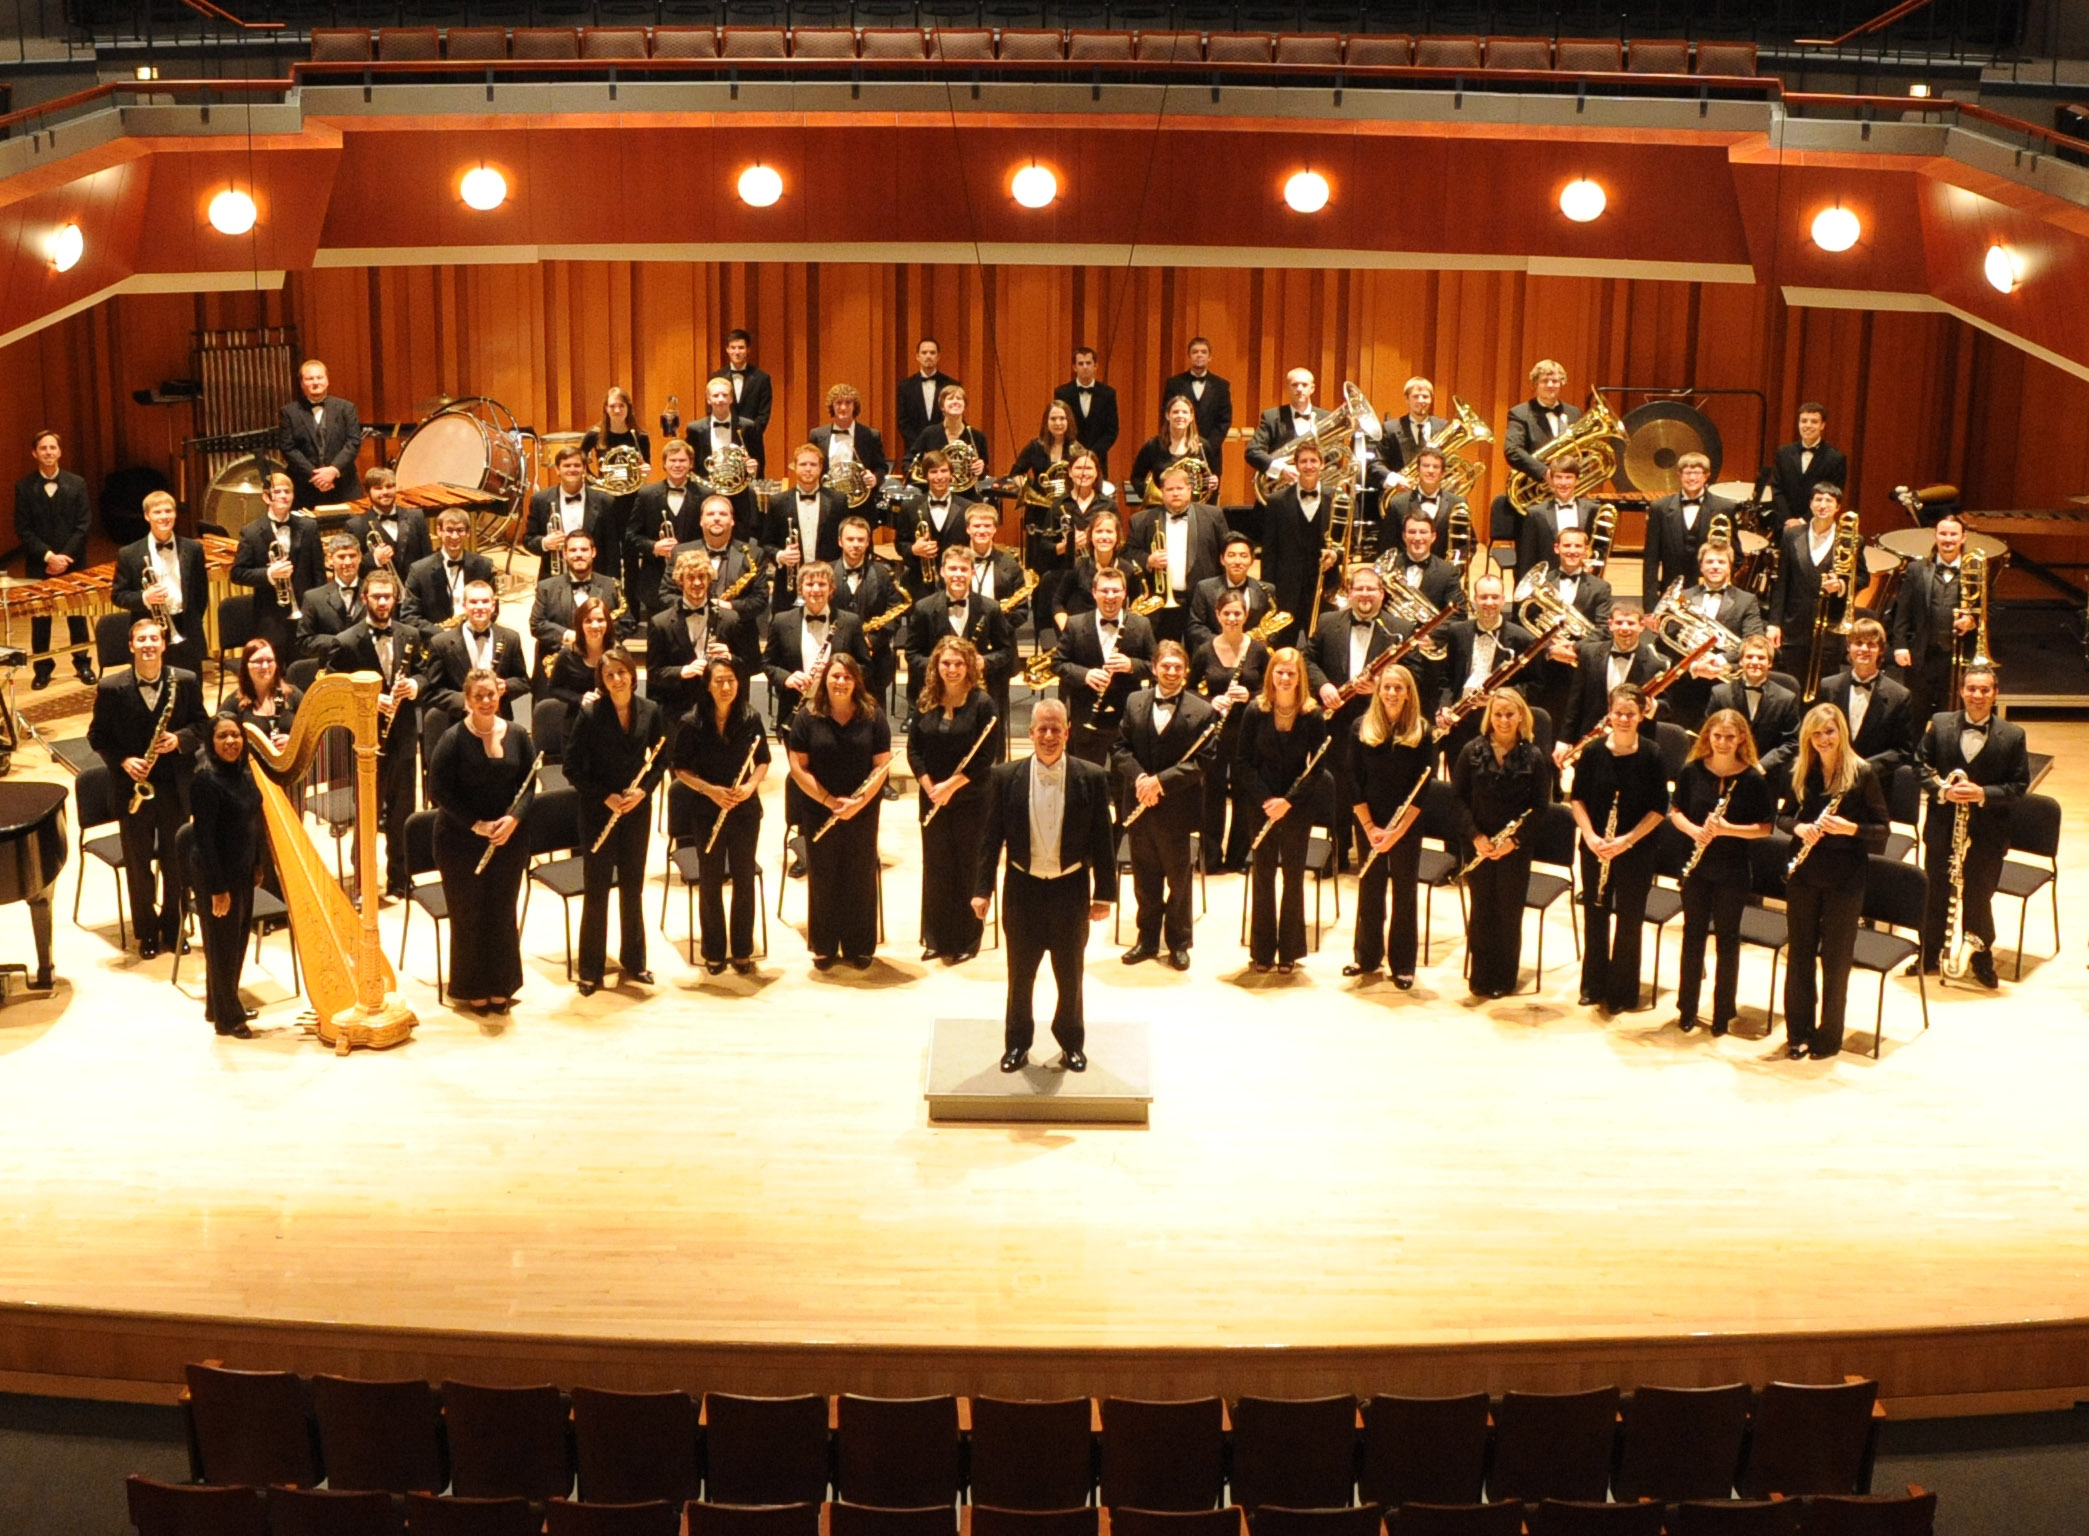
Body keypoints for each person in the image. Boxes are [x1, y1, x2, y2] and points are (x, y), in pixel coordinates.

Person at [973, 699, 1116, 1074]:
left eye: (1056, 729)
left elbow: (1104, 840)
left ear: (1068, 732)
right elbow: (990, 839)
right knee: (1020, 974)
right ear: (1030, 733)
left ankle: (1071, 1042)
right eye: (1042, 729)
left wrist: (1104, 895)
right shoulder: (1005, 777)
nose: (1049, 736)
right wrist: (981, 889)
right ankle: (1017, 1043)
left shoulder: (1093, 777)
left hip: (1071, 891)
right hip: (1022, 889)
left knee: (1070, 975)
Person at [87, 616, 208, 959]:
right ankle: (147, 932)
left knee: (175, 861)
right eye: (141, 639)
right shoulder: (112, 687)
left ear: (163, 644)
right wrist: (124, 761)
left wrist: (180, 739)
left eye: (154, 638)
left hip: (173, 786)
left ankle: (175, 926)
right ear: (131, 646)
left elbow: (202, 724)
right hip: (132, 788)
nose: (149, 645)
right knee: (138, 864)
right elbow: (96, 736)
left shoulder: (184, 681)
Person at [1780, 702, 1891, 1059]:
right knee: (1799, 957)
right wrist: (1798, 827)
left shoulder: (1862, 773)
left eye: (1829, 732)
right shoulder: (1803, 770)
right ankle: (1798, 1033)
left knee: (1836, 960)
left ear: (1841, 732)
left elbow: (1882, 832)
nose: (1823, 739)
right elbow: (1782, 817)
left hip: (1845, 879)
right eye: (1816, 733)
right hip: (1805, 876)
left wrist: (1851, 828)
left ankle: (1829, 1038)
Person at [429, 668, 538, 1013]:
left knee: (502, 912)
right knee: (469, 913)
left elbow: (529, 785)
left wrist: (514, 818)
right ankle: (473, 985)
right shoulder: (452, 739)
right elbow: (439, 791)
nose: (486, 701)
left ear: (500, 694)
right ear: (467, 700)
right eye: (479, 696)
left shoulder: (519, 735)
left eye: (491, 694)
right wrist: (476, 825)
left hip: (508, 839)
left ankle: (501, 984)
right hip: (461, 841)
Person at [1912, 665, 2028, 987]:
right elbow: (1920, 765)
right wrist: (1941, 790)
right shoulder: (1940, 724)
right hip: (1942, 826)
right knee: (1935, 890)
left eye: (1985, 689)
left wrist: (1982, 794)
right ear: (1962, 691)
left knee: (1978, 896)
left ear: (1995, 693)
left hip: (1988, 832)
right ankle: (1930, 953)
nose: (1977, 695)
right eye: (1972, 689)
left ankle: (1980, 959)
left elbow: (2019, 786)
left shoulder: (2013, 735)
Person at [564, 649, 666, 995]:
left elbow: (660, 760)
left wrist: (643, 793)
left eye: (621, 672)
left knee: (633, 889)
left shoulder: (650, 711)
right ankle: (590, 969)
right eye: (609, 675)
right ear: (602, 681)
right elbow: (572, 767)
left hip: (636, 812)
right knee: (597, 892)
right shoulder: (591, 714)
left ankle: (635, 961)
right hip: (598, 812)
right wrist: (605, 796)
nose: (617, 679)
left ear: (632, 674)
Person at [1669, 709, 1775, 1036]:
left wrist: (1728, 829)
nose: (1724, 742)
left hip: (1732, 869)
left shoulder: (1753, 778)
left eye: (1730, 737)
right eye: (1717, 736)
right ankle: (1686, 1007)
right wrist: (1694, 831)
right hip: (1697, 867)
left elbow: (1765, 828)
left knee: (1728, 940)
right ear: (1708, 737)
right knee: (1693, 936)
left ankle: (1722, 1011)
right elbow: (1675, 811)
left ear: (1742, 738)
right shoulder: (1692, 771)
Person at [1112, 641, 1215, 972]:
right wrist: (1141, 779)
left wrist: (1161, 782)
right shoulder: (1134, 701)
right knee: (1144, 878)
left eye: (1178, 667)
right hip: (1139, 802)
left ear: (1185, 672)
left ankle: (1179, 942)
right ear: (1154, 668)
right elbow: (1120, 748)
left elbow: (1203, 762)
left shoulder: (1202, 710)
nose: (1171, 672)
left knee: (1179, 879)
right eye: (1166, 666)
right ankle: (1147, 939)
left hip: (1177, 808)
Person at [1568, 684, 1670, 1015]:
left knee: (1629, 919)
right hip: (1596, 846)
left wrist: (1626, 841)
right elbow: (1577, 799)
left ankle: (1623, 991)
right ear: (1609, 714)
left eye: (1631, 713)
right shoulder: (1594, 751)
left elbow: (1658, 809)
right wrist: (1592, 838)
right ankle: (1593, 985)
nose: (1623, 718)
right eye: (1618, 712)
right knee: (1595, 914)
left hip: (1635, 849)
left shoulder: (1653, 753)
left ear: (1642, 715)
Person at [787, 654, 892, 970]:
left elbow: (882, 765)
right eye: (835, 676)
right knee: (824, 875)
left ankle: (860, 945)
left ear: (856, 681)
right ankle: (825, 945)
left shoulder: (873, 716)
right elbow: (798, 766)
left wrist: (858, 802)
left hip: (862, 809)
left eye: (847, 676)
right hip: (820, 809)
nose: (841, 682)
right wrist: (830, 801)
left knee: (860, 874)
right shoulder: (808, 717)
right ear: (825, 680)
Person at [327, 569, 422, 900]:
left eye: (388, 596)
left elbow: (425, 674)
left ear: (395, 598)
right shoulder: (346, 641)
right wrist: (368, 698)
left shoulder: (410, 635)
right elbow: (333, 688)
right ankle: (363, 882)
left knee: (402, 812)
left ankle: (401, 878)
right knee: (366, 813)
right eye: (376, 596)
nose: (383, 602)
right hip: (366, 740)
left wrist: (415, 686)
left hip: (403, 735)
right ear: (364, 598)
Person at [671, 658, 770, 976]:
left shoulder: (750, 718)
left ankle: (742, 950)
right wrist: (709, 790)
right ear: (708, 686)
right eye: (719, 681)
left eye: (731, 680)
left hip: (744, 811)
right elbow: (681, 770)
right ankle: (713, 950)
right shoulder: (691, 722)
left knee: (744, 879)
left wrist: (750, 786)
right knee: (710, 881)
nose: (726, 687)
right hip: (707, 810)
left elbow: (763, 761)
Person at [1306, 563, 1408, 867]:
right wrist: (1323, 685)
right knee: (1338, 788)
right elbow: (1307, 659)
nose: (1365, 594)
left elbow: (1413, 674)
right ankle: (1337, 852)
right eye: (1359, 588)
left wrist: (1380, 687)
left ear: (1382, 594)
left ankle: (1378, 851)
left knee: (1377, 787)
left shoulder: (1401, 629)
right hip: (1337, 721)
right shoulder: (1327, 622)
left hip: (1379, 720)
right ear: (1348, 593)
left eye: (1371, 589)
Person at [1452, 689, 1552, 1000]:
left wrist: (1516, 841)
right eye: (1498, 714)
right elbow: (1457, 799)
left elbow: (1540, 807)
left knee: (1508, 911)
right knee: (1481, 909)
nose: (1504, 720)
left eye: (1510, 714)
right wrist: (1476, 837)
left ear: (1521, 716)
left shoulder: (1533, 757)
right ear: (1489, 717)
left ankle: (1504, 977)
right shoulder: (1472, 751)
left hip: (1514, 849)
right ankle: (1481, 975)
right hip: (1478, 844)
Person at [1238, 647, 1330, 975]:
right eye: (1280, 672)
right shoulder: (1255, 710)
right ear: (1271, 675)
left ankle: (1289, 949)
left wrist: (1288, 801)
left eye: (1291, 673)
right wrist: (1268, 801)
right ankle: (1262, 950)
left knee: (1293, 876)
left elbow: (1317, 768)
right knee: (1263, 875)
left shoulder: (1312, 715)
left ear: (1300, 677)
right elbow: (1243, 762)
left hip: (1297, 806)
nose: (1285, 678)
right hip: (1260, 804)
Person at [910, 636, 1001, 965]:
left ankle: (967, 938)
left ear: (969, 667)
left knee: (967, 866)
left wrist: (951, 786)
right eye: (945, 663)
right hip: (932, 796)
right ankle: (935, 937)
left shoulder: (983, 705)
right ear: (936, 665)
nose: (951, 669)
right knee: (935, 866)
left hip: (972, 798)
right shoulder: (926, 700)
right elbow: (914, 750)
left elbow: (985, 757)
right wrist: (929, 784)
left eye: (958, 663)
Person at [1346, 664, 1438, 988]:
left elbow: (1424, 788)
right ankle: (1366, 957)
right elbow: (1353, 782)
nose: (1392, 693)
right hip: (1368, 820)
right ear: (1378, 690)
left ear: (1409, 692)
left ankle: (1402, 964)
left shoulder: (1423, 731)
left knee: (1404, 891)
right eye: (1387, 687)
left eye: (1399, 688)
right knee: (1369, 889)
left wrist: (1397, 831)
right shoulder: (1361, 726)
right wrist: (1370, 826)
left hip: (1406, 825)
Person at [188, 717, 266, 1039]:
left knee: (235, 942)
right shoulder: (205, 781)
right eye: (223, 736)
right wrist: (218, 889)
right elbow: (204, 840)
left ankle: (217, 1006)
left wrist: (258, 863)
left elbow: (253, 821)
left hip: (244, 869)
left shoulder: (244, 773)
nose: (231, 741)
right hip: (216, 872)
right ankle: (229, 1018)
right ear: (211, 741)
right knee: (222, 946)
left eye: (236, 735)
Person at [1187, 589, 1268, 872]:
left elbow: (1269, 690)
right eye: (1227, 613)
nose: (1232, 618)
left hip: (1249, 732)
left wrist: (1251, 695)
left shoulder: (1258, 650)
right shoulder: (1204, 650)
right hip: (1215, 732)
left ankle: (1238, 857)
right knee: (1212, 793)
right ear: (1218, 616)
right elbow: (1188, 690)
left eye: (1238, 613)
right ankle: (1209, 857)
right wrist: (1211, 701)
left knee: (1245, 792)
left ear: (1246, 615)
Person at [14, 428, 95, 689]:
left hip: (73, 561)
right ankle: (42, 668)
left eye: (52, 448)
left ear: (59, 452)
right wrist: (48, 556)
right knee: (41, 618)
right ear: (34, 453)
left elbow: (84, 525)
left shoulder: (77, 483)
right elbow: (23, 529)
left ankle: (83, 662)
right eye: (43, 448)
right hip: (40, 563)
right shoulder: (24, 487)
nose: (48, 452)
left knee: (77, 615)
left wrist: (64, 557)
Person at [904, 546, 1014, 730]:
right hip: (937, 695)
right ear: (942, 572)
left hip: (978, 695)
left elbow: (1006, 651)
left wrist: (984, 662)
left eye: (963, 569)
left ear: (972, 573)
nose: (958, 574)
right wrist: (939, 666)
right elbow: (912, 654)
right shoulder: (924, 608)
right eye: (952, 569)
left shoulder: (990, 608)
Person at [1055, 564, 1154, 762]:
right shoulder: (1075, 624)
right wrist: (1085, 675)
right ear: (1094, 592)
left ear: (1125, 593)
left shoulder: (1141, 625)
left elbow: (1155, 666)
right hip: (1087, 715)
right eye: (1104, 590)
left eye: (1116, 590)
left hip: (1126, 718)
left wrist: (1131, 665)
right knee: (1086, 781)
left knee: (1124, 784)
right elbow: (1058, 663)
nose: (1110, 596)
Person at [1663, 539, 1765, 731]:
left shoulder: (1746, 600)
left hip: (1727, 687)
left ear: (1730, 567)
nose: (1715, 567)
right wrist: (1693, 665)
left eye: (1721, 562)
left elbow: (1754, 641)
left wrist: (1720, 659)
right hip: (1687, 685)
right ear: (1701, 566)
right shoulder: (1683, 597)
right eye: (1709, 562)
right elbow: (1666, 644)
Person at [1890, 511, 1979, 725]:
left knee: (1950, 717)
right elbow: (1903, 610)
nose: (1948, 539)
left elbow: (1989, 609)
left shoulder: (1975, 571)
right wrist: (1900, 645)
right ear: (1936, 536)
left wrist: (1972, 621)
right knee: (1914, 716)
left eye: (1953, 534)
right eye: (1943, 534)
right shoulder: (1916, 569)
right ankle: (1912, 759)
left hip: (1956, 657)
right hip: (1922, 654)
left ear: (1963, 537)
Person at [657, 495, 767, 666]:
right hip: (688, 640)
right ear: (701, 521)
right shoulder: (680, 551)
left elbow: (760, 599)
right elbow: (665, 594)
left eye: (723, 514)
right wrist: (694, 605)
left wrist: (730, 606)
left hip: (737, 644)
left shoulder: (753, 553)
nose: (716, 518)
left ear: (732, 521)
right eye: (710, 514)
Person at [112, 490, 210, 678]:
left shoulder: (193, 548)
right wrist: (144, 597)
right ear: (147, 516)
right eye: (157, 512)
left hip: (187, 629)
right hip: (150, 631)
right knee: (153, 684)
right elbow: (118, 595)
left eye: (168, 511)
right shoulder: (129, 553)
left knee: (191, 688)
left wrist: (193, 621)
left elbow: (200, 593)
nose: (164, 517)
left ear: (175, 514)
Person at [1129, 465, 1228, 648]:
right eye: (1170, 489)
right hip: (1160, 604)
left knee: (1201, 653)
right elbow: (1129, 553)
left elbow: (1225, 554)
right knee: (1164, 654)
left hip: (1202, 602)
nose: (1175, 493)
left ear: (1189, 489)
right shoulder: (1141, 520)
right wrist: (1148, 560)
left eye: (1180, 488)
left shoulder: (1213, 515)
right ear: (1162, 491)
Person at [1496, 359, 1582, 567]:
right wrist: (1545, 473)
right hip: (1532, 497)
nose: (1551, 385)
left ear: (1562, 383)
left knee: (1571, 553)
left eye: (1555, 380)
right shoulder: (1521, 413)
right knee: (1529, 558)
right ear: (1535, 383)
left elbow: (1583, 451)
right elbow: (1512, 450)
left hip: (1567, 495)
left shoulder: (1574, 414)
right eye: (1545, 380)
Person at [1765, 484, 1854, 683]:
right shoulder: (1791, 535)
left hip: (1830, 627)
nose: (1823, 505)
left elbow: (1862, 578)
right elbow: (1782, 583)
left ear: (1838, 506)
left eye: (1829, 500)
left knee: (1825, 686)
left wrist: (1841, 585)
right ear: (1810, 504)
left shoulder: (1851, 539)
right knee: (1792, 685)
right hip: (1794, 626)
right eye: (1818, 500)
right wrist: (1774, 623)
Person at [646, 553, 742, 738]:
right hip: (677, 713)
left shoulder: (730, 619)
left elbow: (747, 665)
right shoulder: (661, 623)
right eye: (690, 577)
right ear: (680, 581)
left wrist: (730, 658)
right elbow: (653, 673)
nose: (697, 583)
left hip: (720, 711)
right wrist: (684, 671)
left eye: (702, 577)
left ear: (709, 579)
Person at [233, 472, 325, 662]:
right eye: (278, 491)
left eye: (288, 491)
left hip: (303, 612)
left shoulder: (308, 526)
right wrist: (268, 574)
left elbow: (318, 572)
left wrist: (317, 611)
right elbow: (237, 573)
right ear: (266, 497)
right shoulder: (251, 532)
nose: (284, 495)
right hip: (270, 617)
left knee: (303, 669)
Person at [1554, 604, 1662, 763]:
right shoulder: (1589, 653)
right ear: (1610, 625)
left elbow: (1666, 707)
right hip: (1591, 741)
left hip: (1635, 745)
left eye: (1631, 623)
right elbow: (1575, 702)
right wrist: (1564, 740)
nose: (1625, 628)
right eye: (1619, 622)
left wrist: (1651, 706)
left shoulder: (1656, 663)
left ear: (1642, 626)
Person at [766, 561, 869, 728]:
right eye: (809, 584)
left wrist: (840, 672)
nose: (815, 589)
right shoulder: (782, 621)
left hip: (839, 709)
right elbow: (768, 664)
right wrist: (787, 678)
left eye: (822, 584)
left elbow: (866, 666)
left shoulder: (850, 622)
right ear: (800, 589)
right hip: (794, 710)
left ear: (831, 589)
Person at [1258, 439, 1338, 646]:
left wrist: (1336, 555)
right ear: (1296, 465)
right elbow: (1270, 550)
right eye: (1303, 461)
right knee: (1283, 646)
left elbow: (1346, 541)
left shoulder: (1338, 498)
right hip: (1287, 589)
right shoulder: (1277, 501)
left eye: (1313, 461)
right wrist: (1268, 591)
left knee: (1323, 645)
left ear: (1322, 464)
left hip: (1324, 587)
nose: (1309, 466)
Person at [422, 580, 529, 732]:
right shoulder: (441, 643)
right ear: (464, 606)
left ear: (493, 605)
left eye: (485, 601)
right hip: (459, 727)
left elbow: (523, 681)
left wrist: (506, 686)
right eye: (473, 602)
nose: (479, 607)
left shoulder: (511, 638)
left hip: (501, 723)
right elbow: (431, 692)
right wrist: (465, 700)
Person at [1814, 618, 1915, 778]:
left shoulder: (1899, 696)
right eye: (1858, 643)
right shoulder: (1828, 686)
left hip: (1874, 782)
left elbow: (1903, 751)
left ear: (1881, 650)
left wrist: (1863, 769)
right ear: (1848, 647)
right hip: (1830, 775)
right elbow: (1816, 733)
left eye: (1871, 644)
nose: (1864, 649)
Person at [578, 384, 651, 590]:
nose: (617, 410)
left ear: (628, 408)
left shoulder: (640, 436)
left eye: (621, 405)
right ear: (606, 409)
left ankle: (632, 608)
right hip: (605, 501)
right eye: (612, 406)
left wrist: (645, 470)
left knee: (630, 555)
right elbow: (580, 460)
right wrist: (596, 482)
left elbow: (646, 465)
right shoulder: (594, 434)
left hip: (631, 501)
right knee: (607, 554)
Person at [1640, 450, 1736, 602]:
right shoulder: (1660, 508)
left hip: (1712, 594)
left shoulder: (1724, 507)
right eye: (1687, 473)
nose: (1692, 478)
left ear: (1707, 475)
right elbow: (1651, 560)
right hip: (1671, 593)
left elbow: (1735, 554)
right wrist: (1650, 604)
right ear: (1679, 475)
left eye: (1697, 473)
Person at [1709, 634, 1803, 786]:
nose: (1755, 662)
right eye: (1749, 657)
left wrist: (1762, 765)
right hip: (1724, 776)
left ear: (1770, 663)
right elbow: (1708, 735)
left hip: (1766, 779)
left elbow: (1791, 742)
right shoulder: (1720, 694)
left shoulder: (1786, 699)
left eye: (1761, 658)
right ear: (1741, 661)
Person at [627, 438, 705, 619]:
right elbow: (631, 535)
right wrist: (654, 547)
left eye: (682, 460)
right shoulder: (646, 494)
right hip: (656, 580)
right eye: (672, 460)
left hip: (695, 580)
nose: (677, 465)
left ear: (691, 464)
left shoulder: (704, 494)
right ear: (664, 464)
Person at [769, 443, 849, 609]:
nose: (808, 469)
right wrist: (780, 556)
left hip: (827, 583)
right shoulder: (778, 502)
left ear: (821, 468)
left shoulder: (838, 501)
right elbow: (765, 543)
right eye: (803, 464)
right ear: (795, 467)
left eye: (813, 464)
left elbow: (843, 541)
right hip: (788, 587)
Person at [278, 358, 362, 509]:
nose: (315, 382)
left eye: (319, 377)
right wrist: (315, 476)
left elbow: (353, 442)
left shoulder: (346, 408)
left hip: (344, 485)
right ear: (302, 383)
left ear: (327, 380)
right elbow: (288, 448)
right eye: (309, 378)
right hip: (305, 487)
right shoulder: (289, 412)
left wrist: (333, 470)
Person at [527, 529, 625, 658]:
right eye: (573, 550)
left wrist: (597, 638)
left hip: (600, 661)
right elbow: (536, 624)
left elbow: (625, 622)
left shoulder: (611, 586)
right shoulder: (546, 587)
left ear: (593, 552)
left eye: (584, 550)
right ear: (565, 554)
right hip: (556, 660)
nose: (579, 554)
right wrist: (568, 635)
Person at [691, 374, 764, 536]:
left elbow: (758, 460)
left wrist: (753, 468)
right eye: (715, 395)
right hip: (707, 492)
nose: (720, 399)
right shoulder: (694, 429)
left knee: (741, 536)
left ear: (731, 398)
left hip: (740, 494)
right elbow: (693, 465)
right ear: (708, 399)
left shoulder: (748, 426)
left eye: (725, 395)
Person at [1187, 531, 1277, 657]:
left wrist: (1255, 644)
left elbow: (1273, 628)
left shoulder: (1267, 589)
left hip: (1252, 655)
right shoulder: (1204, 588)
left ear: (1252, 560)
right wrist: (1221, 644)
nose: (1237, 561)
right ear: (1222, 559)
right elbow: (1195, 626)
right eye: (1231, 555)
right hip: (1214, 654)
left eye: (1243, 555)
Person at [527, 444, 613, 577]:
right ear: (557, 469)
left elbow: (612, 549)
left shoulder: (604, 500)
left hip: (595, 577)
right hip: (554, 579)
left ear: (584, 469)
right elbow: (528, 540)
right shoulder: (540, 500)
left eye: (577, 465)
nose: (572, 469)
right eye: (566, 465)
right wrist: (545, 543)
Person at [404, 508, 495, 632]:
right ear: (439, 531)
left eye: (460, 530)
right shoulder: (419, 570)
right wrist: (441, 634)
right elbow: (409, 616)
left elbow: (493, 610)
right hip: (436, 641)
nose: (455, 536)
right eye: (449, 530)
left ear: (468, 532)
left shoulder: (484, 566)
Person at [1052, 511, 1142, 634]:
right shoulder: (1078, 566)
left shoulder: (1128, 570)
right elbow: (1057, 602)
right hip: (1082, 635)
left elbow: (1137, 606)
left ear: (1117, 537)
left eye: (1109, 532)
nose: (1104, 537)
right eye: (1099, 531)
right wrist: (1068, 629)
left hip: (1116, 634)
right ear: (1091, 536)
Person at [1159, 336, 1233, 478]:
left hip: (1211, 452)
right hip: (1178, 450)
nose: (1199, 355)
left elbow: (1224, 420)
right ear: (1189, 356)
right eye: (1195, 352)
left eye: (1203, 352)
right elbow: (1166, 415)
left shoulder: (1222, 386)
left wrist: (1206, 446)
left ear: (1210, 357)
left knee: (1209, 495)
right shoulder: (1174, 383)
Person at [343, 466, 432, 581]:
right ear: (367, 492)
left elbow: (428, 558)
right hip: (379, 593)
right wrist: (374, 558)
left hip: (415, 591)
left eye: (389, 487)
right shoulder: (356, 526)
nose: (385, 492)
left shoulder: (416, 517)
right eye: (378, 488)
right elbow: (352, 568)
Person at [1245, 367, 1329, 489]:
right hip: (1280, 493)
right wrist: (1281, 469)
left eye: (1304, 385)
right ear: (1287, 388)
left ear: (1312, 389)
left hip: (1317, 492)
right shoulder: (1272, 417)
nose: (1299, 389)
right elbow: (1252, 451)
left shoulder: (1326, 418)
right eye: (1294, 385)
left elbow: (1333, 458)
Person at [1127, 394, 1217, 508]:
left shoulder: (1202, 447)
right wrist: (1155, 496)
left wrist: (1212, 483)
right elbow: (1137, 478)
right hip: (1160, 508)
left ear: (1191, 417)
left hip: (1193, 509)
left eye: (1184, 412)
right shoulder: (1153, 446)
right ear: (1167, 415)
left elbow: (1209, 477)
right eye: (1175, 412)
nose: (1180, 416)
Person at [1378, 448, 1466, 563]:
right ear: (1418, 469)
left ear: (1443, 473)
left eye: (1436, 467)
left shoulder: (1457, 503)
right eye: (1426, 465)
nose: (1430, 470)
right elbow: (1387, 544)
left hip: (1443, 575)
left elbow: (1467, 544)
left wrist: (1454, 569)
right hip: (1406, 573)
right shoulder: (1397, 503)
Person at [1517, 459, 1601, 578]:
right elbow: (1526, 557)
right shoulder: (1535, 513)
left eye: (1568, 477)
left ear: (1577, 480)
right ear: (1551, 480)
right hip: (1547, 580)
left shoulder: (1592, 510)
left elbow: (1600, 547)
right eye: (1558, 477)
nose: (1563, 482)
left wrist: (1593, 565)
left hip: (1583, 579)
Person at [1769, 402, 1849, 526]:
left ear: (1822, 425)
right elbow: (1777, 489)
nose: (1808, 425)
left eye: (1814, 421)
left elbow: (1833, 496)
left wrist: (1803, 521)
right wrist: (1788, 519)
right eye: (1804, 421)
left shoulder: (1836, 458)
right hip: (1785, 524)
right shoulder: (1783, 453)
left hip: (1817, 523)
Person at [298, 533, 373, 662]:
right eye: (341, 557)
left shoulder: (374, 593)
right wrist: (339, 642)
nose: (348, 562)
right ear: (330, 559)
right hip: (330, 669)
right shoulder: (313, 597)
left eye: (352, 556)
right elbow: (304, 642)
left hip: (369, 668)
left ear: (360, 557)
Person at [1053, 346, 1120, 481]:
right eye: (1081, 363)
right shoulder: (1062, 393)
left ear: (1096, 366)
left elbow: (1112, 430)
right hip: (1069, 458)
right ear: (1074, 367)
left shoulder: (1108, 394)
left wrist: (1093, 452)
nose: (1085, 367)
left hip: (1098, 459)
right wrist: (1075, 450)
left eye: (1088, 363)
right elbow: (1059, 426)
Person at [223, 637, 302, 752]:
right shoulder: (234, 701)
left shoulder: (292, 694)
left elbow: (311, 729)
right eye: (258, 661)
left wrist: (293, 741)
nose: (265, 666)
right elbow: (216, 734)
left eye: (270, 660)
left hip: (289, 760)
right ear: (246, 665)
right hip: (251, 765)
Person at [812, 382, 890, 495]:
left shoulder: (871, 435)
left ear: (854, 406)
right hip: (827, 499)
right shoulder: (817, 435)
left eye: (848, 403)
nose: (843, 407)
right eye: (838, 403)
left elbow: (881, 467)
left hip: (860, 501)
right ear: (832, 406)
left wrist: (875, 478)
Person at [542, 596, 616, 714]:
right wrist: (580, 698)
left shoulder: (618, 652)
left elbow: (632, 684)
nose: (595, 626)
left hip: (613, 715)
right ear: (580, 624)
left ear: (608, 623)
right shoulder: (567, 654)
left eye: (600, 620)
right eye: (588, 621)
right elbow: (554, 688)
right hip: (577, 717)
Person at [908, 384, 989, 486]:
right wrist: (927, 477)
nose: (955, 401)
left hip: (967, 494)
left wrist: (980, 469)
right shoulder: (929, 433)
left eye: (959, 399)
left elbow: (984, 473)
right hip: (934, 490)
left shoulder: (977, 437)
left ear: (964, 405)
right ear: (942, 406)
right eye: (950, 399)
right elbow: (910, 461)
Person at [717, 330, 772, 471]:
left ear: (748, 350)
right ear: (727, 349)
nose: (737, 351)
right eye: (733, 347)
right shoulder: (716, 377)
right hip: (724, 442)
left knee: (754, 489)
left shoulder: (762, 379)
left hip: (753, 445)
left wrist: (748, 434)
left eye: (741, 347)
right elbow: (712, 410)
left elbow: (763, 415)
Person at [896, 337, 960, 455]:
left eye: (932, 352)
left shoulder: (952, 385)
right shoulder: (905, 386)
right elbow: (903, 422)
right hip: (914, 451)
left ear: (938, 356)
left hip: (944, 450)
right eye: (924, 353)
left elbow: (954, 419)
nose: (928, 356)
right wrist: (919, 446)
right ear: (917, 356)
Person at [1378, 376, 1451, 479]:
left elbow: (1450, 463)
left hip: (1435, 490)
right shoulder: (1390, 428)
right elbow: (1377, 463)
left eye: (1425, 397)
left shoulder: (1443, 427)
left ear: (1431, 399)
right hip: (1402, 491)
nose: (1421, 401)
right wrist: (1393, 478)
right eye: (1416, 396)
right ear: (1407, 399)